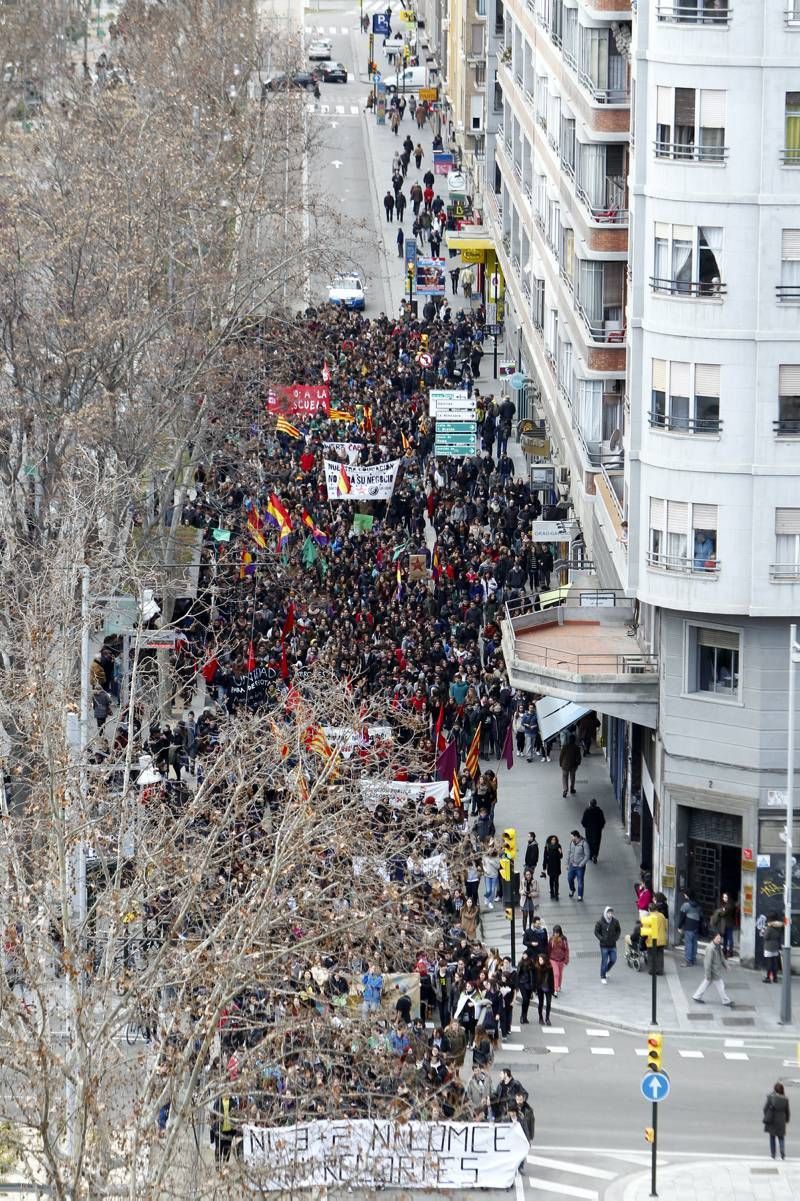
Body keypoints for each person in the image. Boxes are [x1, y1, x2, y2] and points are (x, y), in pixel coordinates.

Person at [692, 933, 734, 1007]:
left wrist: (726, 966)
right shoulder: (710, 948)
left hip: (714, 971)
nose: (719, 940)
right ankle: (726, 1001)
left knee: (705, 983)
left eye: (720, 938)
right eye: (717, 938)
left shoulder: (718, 947)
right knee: (720, 985)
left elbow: (722, 958)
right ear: (713, 938)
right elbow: (707, 963)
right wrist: (708, 974)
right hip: (713, 972)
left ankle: (696, 996)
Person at [594, 905, 621, 984]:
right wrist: (601, 938)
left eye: (611, 913)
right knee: (604, 961)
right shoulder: (600, 922)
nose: (610, 915)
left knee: (613, 959)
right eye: (608, 913)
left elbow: (618, 930)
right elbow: (596, 932)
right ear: (605, 913)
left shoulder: (615, 921)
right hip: (604, 945)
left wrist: (616, 938)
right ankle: (603, 976)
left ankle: (606, 970)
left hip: (612, 944)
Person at [763, 1082, 790, 1160]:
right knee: (781, 1137)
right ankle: (782, 1151)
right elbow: (787, 1111)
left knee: (772, 1137)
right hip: (781, 1120)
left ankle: (773, 1154)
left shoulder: (770, 1097)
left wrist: (767, 1115)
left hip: (772, 1120)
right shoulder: (785, 1099)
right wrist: (787, 1119)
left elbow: (765, 1108)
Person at [677, 891, 702, 966]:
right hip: (696, 926)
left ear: (687, 896)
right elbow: (700, 916)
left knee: (688, 944)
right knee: (694, 943)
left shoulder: (686, 905)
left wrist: (679, 927)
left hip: (689, 926)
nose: (684, 895)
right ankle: (693, 959)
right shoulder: (698, 904)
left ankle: (688, 961)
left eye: (685, 894)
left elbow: (682, 917)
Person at [710, 892, 737, 957]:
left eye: (725, 897)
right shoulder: (726, 904)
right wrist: (722, 909)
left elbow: (722, 913)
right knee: (725, 937)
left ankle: (730, 951)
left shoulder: (730, 905)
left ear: (728, 898)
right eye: (723, 897)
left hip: (728, 924)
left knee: (729, 938)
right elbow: (722, 911)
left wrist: (721, 910)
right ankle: (725, 949)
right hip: (725, 924)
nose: (724, 898)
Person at [566, 830, 589, 902]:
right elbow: (569, 852)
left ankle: (580, 896)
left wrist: (581, 864)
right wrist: (567, 863)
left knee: (580, 881)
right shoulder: (572, 842)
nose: (571, 838)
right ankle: (572, 889)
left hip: (580, 867)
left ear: (576, 836)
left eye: (572, 836)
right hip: (572, 865)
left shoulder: (584, 843)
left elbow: (587, 855)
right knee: (569, 879)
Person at [581, 799, 606, 863]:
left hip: (589, 830)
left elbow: (583, 821)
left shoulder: (587, 811)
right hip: (597, 830)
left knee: (589, 842)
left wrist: (586, 826)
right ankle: (595, 855)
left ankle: (590, 855)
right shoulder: (599, 811)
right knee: (596, 843)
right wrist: (600, 827)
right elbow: (603, 821)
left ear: (590, 804)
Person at [548, 924, 569, 996]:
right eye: (554, 932)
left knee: (560, 974)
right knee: (556, 974)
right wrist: (548, 959)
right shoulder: (551, 939)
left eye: (557, 932)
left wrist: (566, 959)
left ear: (560, 932)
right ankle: (555, 989)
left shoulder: (564, 939)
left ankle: (559, 986)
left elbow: (566, 950)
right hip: (553, 959)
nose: (555, 934)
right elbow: (549, 949)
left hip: (561, 960)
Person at [533, 952, 554, 1025]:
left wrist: (553, 989)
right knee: (540, 1003)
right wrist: (534, 989)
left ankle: (547, 1018)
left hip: (548, 987)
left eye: (541, 960)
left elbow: (552, 979)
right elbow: (535, 979)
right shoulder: (536, 967)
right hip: (540, 988)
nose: (540, 961)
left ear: (545, 960)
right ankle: (540, 1017)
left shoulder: (549, 967)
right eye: (539, 960)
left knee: (548, 1003)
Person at [762, 913, 784, 983]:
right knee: (775, 963)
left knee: (769, 963)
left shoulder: (769, 928)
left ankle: (768, 978)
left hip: (769, 947)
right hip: (776, 946)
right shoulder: (779, 927)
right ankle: (775, 977)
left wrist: (764, 931)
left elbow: (765, 937)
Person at [516, 951, 535, 1024]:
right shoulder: (521, 963)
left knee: (527, 1001)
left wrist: (533, 986)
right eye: (523, 954)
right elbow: (518, 973)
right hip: (522, 983)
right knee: (525, 999)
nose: (524, 955)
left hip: (529, 984)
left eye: (525, 954)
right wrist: (517, 985)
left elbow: (534, 975)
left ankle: (525, 1016)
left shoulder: (531, 963)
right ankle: (522, 1016)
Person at [542, 834, 562, 900]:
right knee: (551, 880)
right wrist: (544, 868)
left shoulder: (558, 846)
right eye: (552, 840)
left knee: (556, 881)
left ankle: (556, 894)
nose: (553, 841)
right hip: (550, 866)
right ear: (550, 840)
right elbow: (545, 858)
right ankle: (552, 893)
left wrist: (560, 852)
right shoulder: (547, 847)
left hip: (557, 866)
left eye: (555, 840)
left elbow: (561, 857)